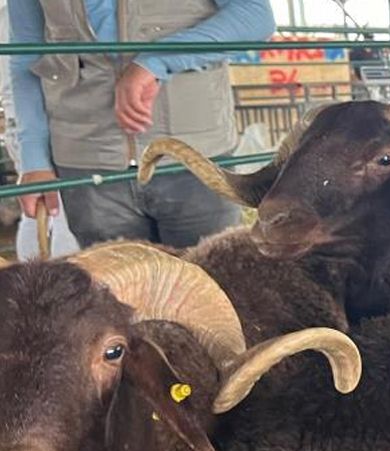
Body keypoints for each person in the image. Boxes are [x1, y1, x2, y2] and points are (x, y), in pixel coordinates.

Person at [8, 0, 275, 249]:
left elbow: (254, 15)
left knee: (210, 286)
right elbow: (27, 55)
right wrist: (34, 161)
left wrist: (155, 61)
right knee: (114, 293)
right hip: (87, 163)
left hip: (194, 157)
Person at [0, 0, 77, 259]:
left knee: (48, 214)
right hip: (47, 129)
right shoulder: (10, 15)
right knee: (55, 214)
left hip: (63, 127)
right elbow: (16, 79)